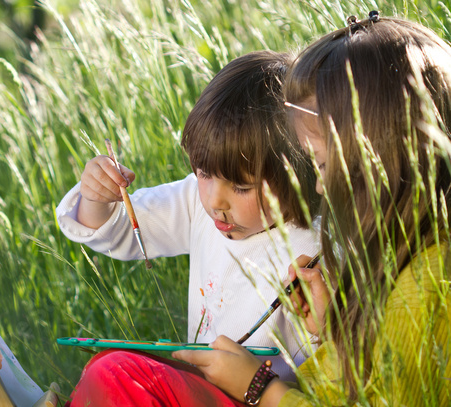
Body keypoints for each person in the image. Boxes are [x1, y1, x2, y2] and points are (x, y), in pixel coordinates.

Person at [172, 13, 451, 406]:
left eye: (321, 165)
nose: (319, 186)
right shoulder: (399, 261)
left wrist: (259, 389)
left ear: (382, 160)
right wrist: (330, 333)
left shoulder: (427, 290)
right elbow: (357, 386)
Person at [57, 51, 320, 406]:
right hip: (200, 388)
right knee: (105, 365)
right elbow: (119, 232)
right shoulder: (198, 204)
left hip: (263, 397)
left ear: (299, 172)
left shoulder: (316, 245)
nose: (215, 200)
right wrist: (96, 198)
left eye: (241, 187)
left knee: (114, 374)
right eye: (203, 172)